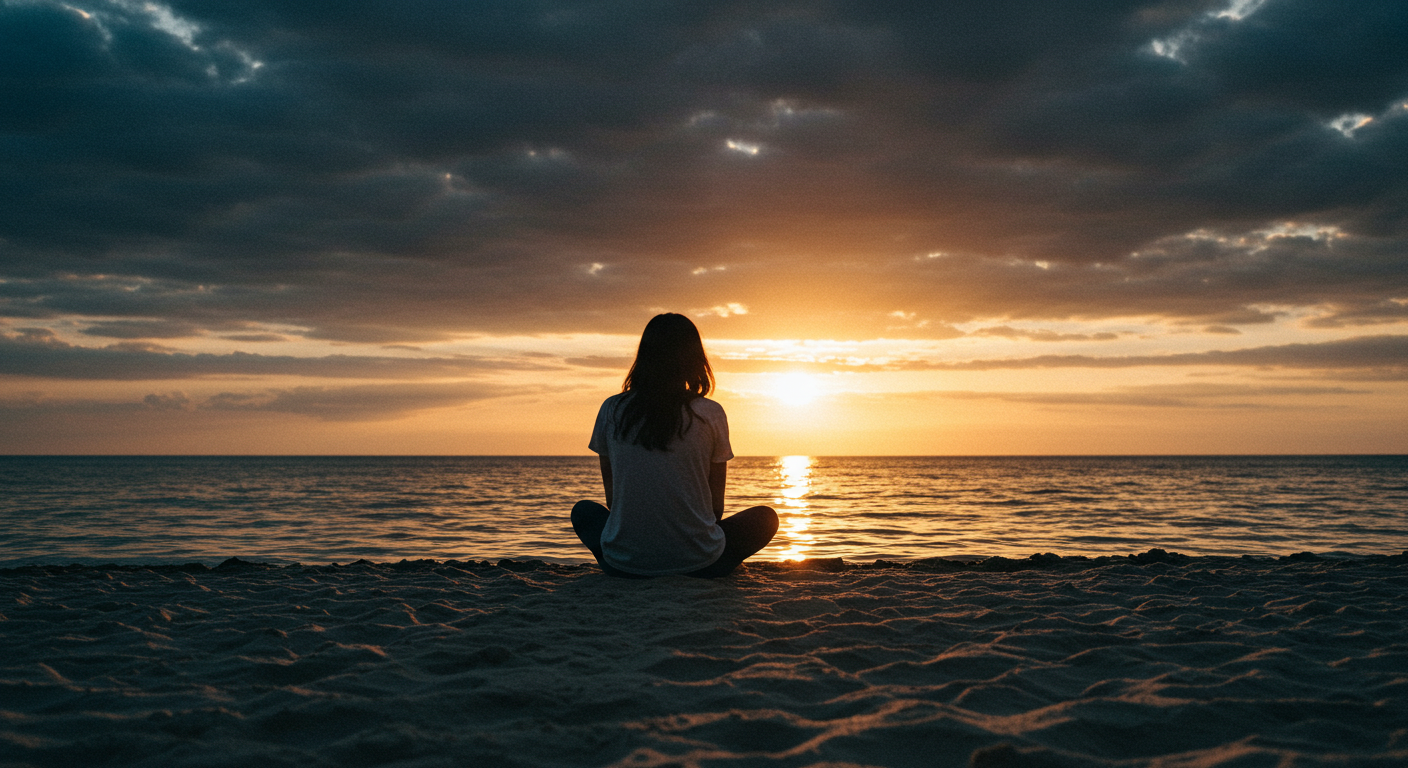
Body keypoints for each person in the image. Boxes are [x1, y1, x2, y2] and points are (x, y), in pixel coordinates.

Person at [571, 313, 778, 578]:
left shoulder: (612, 409)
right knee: (765, 518)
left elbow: (613, 500)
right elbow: (715, 510)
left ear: (644, 357)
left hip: (624, 564)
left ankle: (621, 561)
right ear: (694, 359)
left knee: (584, 511)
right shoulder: (710, 413)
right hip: (702, 565)